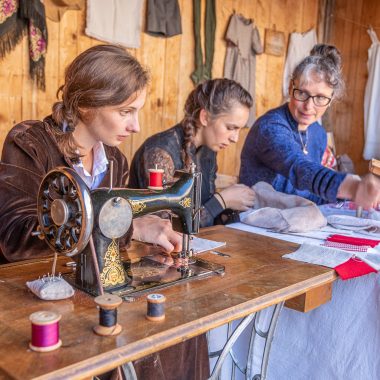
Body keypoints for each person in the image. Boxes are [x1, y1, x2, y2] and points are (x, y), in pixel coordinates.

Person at [0, 44, 208, 380]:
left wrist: (141, 226)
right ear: (85, 105)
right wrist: (131, 227)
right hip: (34, 305)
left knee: (180, 328)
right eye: (126, 112)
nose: (137, 126)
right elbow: (14, 237)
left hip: (84, 294)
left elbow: (106, 245)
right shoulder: (30, 142)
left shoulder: (116, 161)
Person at [240, 44, 380, 209]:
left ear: (331, 99)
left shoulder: (318, 134)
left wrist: (348, 201)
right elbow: (299, 168)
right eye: (302, 93)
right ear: (291, 87)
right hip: (254, 223)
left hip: (294, 223)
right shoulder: (270, 128)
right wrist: (353, 186)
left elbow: (307, 193)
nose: (309, 106)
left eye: (320, 97)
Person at [129, 78, 256, 227]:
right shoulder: (160, 152)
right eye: (230, 128)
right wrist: (221, 201)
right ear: (205, 117)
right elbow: (167, 224)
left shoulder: (208, 151)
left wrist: (231, 209)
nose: (235, 138)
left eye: (240, 129)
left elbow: (205, 212)